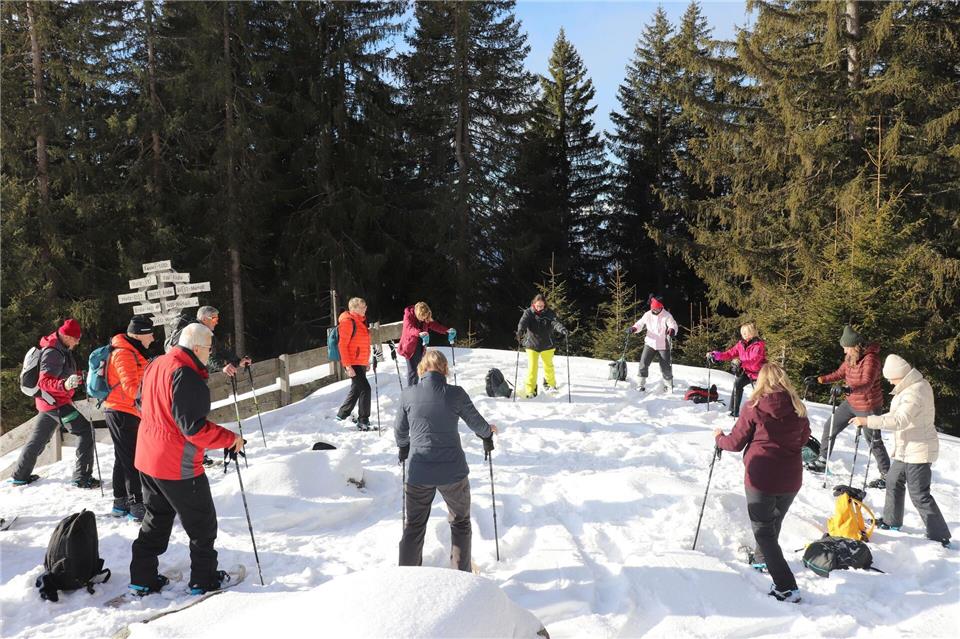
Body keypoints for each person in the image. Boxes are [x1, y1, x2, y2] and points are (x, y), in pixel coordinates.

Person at [130, 322, 243, 596]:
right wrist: (230, 439)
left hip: (147, 457)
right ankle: (203, 580)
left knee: (156, 517)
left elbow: (139, 402)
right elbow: (193, 428)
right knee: (202, 524)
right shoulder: (187, 374)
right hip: (176, 464)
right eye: (208, 348)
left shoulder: (158, 362)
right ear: (195, 347)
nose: (209, 353)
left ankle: (142, 578)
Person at [714, 362, 811, 603]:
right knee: (772, 523)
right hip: (790, 478)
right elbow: (804, 438)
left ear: (761, 382)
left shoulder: (753, 407)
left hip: (761, 477)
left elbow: (735, 443)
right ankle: (761, 559)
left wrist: (718, 438)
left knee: (764, 531)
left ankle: (786, 586)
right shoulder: (798, 408)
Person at [395, 350, 496, 571]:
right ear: (444, 370)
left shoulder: (408, 395)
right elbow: (477, 423)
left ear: (421, 369)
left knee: (413, 526)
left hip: (418, 472)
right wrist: (488, 433)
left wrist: (404, 448)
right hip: (452, 472)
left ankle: (406, 577)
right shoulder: (455, 394)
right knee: (460, 522)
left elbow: (400, 432)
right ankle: (461, 576)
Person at [850, 355, 951, 547]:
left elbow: (899, 421)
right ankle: (891, 521)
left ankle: (940, 536)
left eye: (890, 377)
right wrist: (873, 418)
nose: (888, 381)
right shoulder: (909, 388)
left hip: (919, 449)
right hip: (907, 448)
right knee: (893, 480)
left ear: (899, 375)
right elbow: (896, 415)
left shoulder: (915, 392)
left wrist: (868, 421)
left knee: (919, 494)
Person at [11, 319, 97, 488]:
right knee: (86, 432)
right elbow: (45, 382)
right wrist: (64, 385)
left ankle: (20, 476)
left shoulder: (60, 348)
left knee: (38, 440)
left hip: (48, 404)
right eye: (76, 338)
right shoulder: (53, 352)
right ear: (66, 336)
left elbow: (63, 372)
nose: (78, 341)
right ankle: (81, 477)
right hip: (56, 404)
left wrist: (77, 376)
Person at [804, 325, 890, 486]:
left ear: (855, 346)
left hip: (868, 406)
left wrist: (847, 388)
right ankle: (823, 460)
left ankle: (887, 475)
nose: (845, 351)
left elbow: (867, 383)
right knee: (830, 426)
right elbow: (839, 373)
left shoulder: (871, 359)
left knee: (873, 440)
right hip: (851, 402)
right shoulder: (850, 357)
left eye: (846, 348)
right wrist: (819, 380)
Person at [103, 315, 155, 521]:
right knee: (133, 458)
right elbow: (132, 389)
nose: (152, 338)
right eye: (150, 334)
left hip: (124, 410)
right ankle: (136, 504)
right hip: (121, 411)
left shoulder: (133, 351)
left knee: (122, 457)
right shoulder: (124, 353)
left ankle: (119, 502)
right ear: (140, 335)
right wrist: (153, 387)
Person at [166, 306, 251, 377]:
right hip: (184, 374)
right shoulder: (196, 332)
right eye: (214, 319)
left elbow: (219, 349)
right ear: (204, 319)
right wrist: (223, 366)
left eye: (217, 319)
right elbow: (206, 356)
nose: (217, 322)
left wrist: (238, 361)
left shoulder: (205, 332)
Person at [708, 322, 767, 417]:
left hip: (759, 373)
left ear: (752, 332)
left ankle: (764, 414)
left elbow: (754, 360)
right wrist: (716, 355)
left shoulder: (759, 345)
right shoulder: (741, 344)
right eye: (742, 332)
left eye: (746, 332)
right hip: (747, 372)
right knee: (737, 384)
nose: (744, 334)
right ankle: (733, 411)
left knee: (761, 393)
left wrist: (740, 363)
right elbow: (729, 353)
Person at [516, 294, 567, 398]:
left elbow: (555, 323)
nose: (539, 308)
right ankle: (530, 390)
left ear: (545, 305)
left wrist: (561, 329)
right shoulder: (528, 312)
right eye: (537, 306)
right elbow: (523, 322)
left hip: (547, 345)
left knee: (548, 366)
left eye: (541, 306)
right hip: (532, 345)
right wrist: (520, 331)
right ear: (533, 304)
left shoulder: (550, 313)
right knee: (532, 368)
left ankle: (551, 385)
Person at [335, 297, 373, 430]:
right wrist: (347, 366)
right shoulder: (348, 322)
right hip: (352, 362)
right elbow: (342, 345)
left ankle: (342, 414)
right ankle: (363, 420)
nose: (365, 308)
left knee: (356, 389)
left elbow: (362, 344)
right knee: (365, 389)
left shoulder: (361, 322)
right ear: (354, 308)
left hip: (360, 362)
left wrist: (366, 361)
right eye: (363, 306)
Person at [627, 295, 678, 392]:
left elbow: (673, 325)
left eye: (657, 309)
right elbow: (640, 324)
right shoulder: (647, 314)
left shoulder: (667, 315)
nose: (655, 311)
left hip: (663, 345)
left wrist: (672, 330)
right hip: (650, 343)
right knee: (643, 364)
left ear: (661, 307)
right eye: (653, 309)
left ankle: (668, 385)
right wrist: (634, 328)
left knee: (665, 367)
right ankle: (640, 384)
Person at [398, 302, 454, 388]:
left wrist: (446, 330)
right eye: (422, 318)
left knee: (423, 369)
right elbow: (409, 329)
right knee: (413, 371)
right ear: (418, 313)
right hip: (409, 346)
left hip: (421, 345)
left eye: (425, 318)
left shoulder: (425, 317)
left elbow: (434, 325)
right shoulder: (408, 315)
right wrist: (420, 333)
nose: (424, 320)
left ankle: (423, 390)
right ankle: (411, 393)